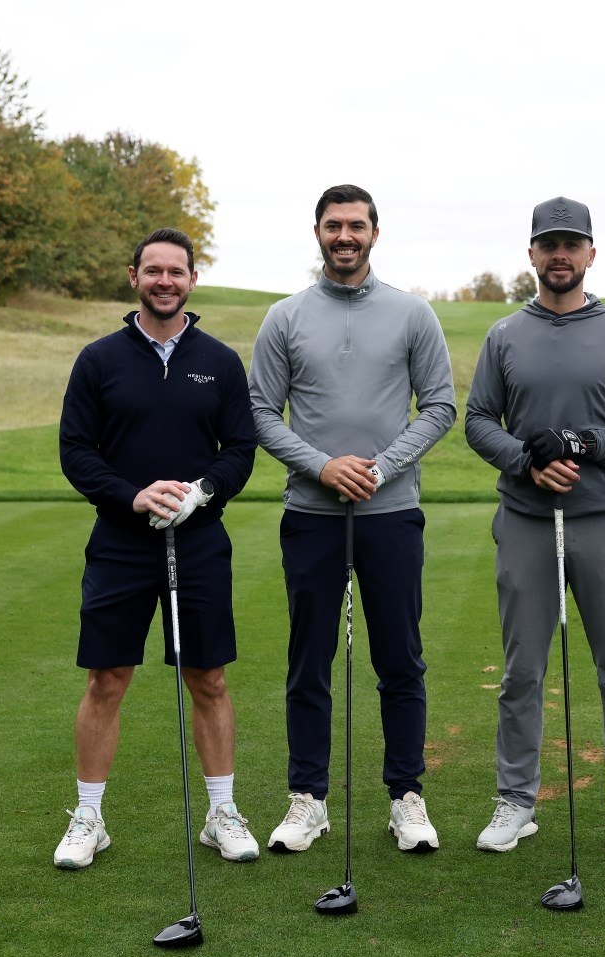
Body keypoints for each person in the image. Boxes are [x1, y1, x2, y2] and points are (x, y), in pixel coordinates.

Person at [248, 184, 456, 854]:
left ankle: (407, 798)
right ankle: (307, 799)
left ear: (374, 232)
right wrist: (321, 466)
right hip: (311, 514)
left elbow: (440, 406)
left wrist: (379, 468)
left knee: (401, 660)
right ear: (317, 232)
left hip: (391, 513)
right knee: (309, 661)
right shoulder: (284, 318)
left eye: (356, 225)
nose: (345, 236)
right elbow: (258, 413)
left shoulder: (412, 313)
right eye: (334, 225)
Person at [53, 228, 260, 870]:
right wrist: (131, 497)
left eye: (176, 271)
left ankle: (221, 813)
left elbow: (242, 451)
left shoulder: (221, 362)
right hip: (120, 542)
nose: (164, 281)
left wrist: (202, 491)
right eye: (153, 271)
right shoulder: (98, 360)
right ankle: (89, 817)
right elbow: (76, 452)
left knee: (210, 678)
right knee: (107, 677)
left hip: (198, 542)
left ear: (192, 280)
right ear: (134, 276)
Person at [465, 196, 605, 858]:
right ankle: (517, 800)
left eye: (571, 244)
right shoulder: (503, 335)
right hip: (525, 520)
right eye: (548, 244)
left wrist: (578, 444)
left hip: (603, 519)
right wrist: (527, 462)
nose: (560, 254)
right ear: (531, 254)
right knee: (523, 669)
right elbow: (478, 419)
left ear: (591, 254)